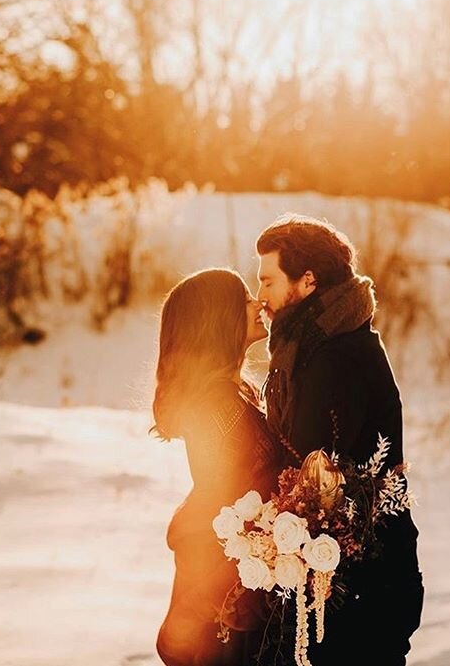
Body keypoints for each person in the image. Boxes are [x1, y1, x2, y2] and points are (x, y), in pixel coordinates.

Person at [256, 213, 425, 666]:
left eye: (268, 281)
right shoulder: (327, 343)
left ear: (307, 280)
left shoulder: (335, 356)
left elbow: (313, 474)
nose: (261, 296)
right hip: (361, 581)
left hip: (363, 590)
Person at [151, 267, 283, 666]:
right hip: (223, 599)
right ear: (217, 319)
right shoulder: (216, 407)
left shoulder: (228, 397)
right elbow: (221, 498)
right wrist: (230, 601)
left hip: (234, 587)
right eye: (243, 299)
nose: (257, 302)